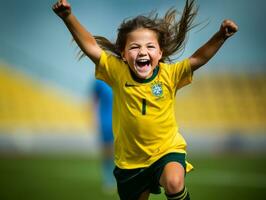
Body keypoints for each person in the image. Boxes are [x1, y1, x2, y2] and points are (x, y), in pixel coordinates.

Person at [52, 0, 238, 199]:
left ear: (160, 53)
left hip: (166, 150)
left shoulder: (170, 74)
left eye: (150, 46)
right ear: (123, 54)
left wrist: (220, 37)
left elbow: (197, 59)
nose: (142, 51)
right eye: (134, 47)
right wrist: (68, 17)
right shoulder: (116, 72)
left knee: (174, 183)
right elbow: (91, 47)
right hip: (130, 162)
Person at [93, 79, 116, 193]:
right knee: (107, 152)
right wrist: (94, 119)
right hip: (106, 121)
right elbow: (94, 100)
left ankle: (121, 178)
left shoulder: (123, 75)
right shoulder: (100, 81)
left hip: (122, 120)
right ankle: (108, 179)